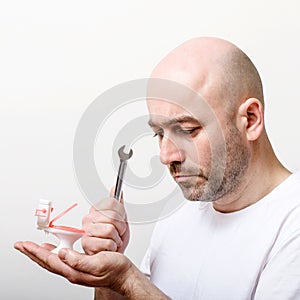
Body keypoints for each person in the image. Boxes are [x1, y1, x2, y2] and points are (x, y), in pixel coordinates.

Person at [14, 37, 300, 299]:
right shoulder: (181, 211)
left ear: (250, 120)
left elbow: (138, 289)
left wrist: (128, 279)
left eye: (187, 130)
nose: (166, 156)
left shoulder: (292, 224)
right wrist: (106, 276)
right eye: (159, 134)